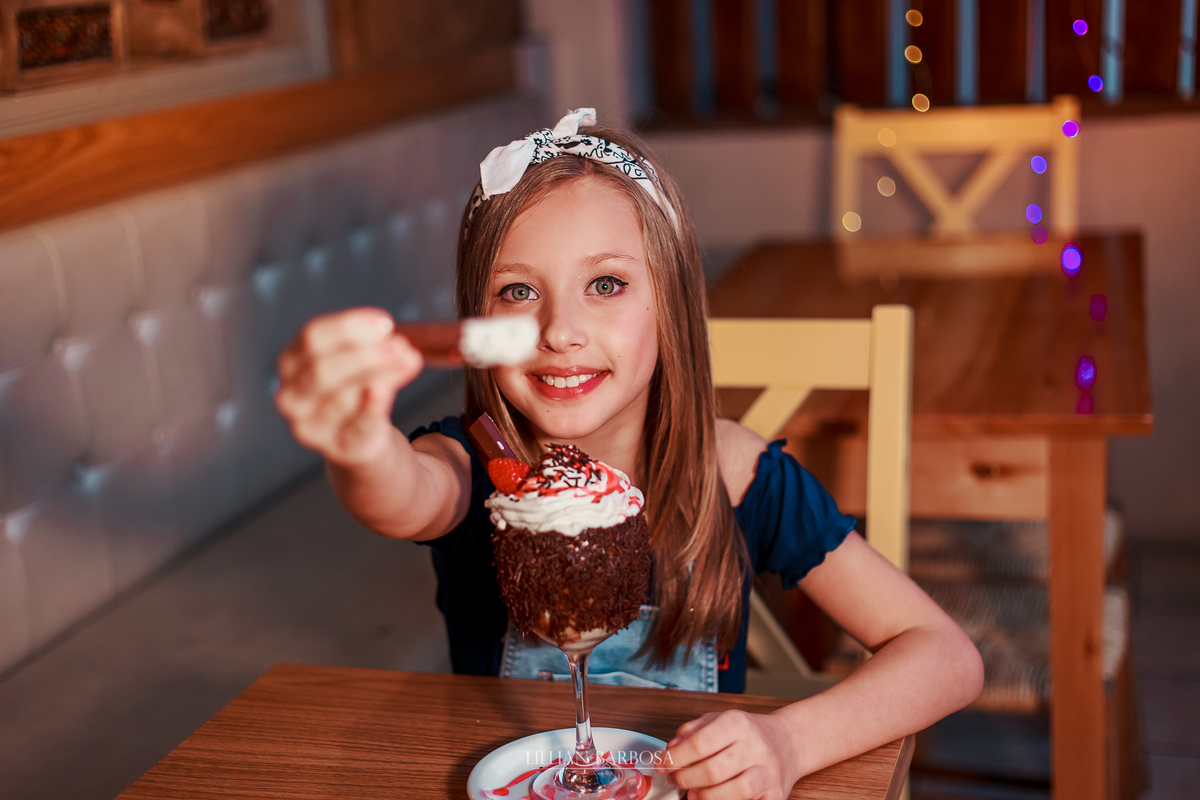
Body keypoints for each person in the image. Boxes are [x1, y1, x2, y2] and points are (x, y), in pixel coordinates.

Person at [275, 109, 983, 800]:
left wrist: (790, 742)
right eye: (518, 291)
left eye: (606, 285)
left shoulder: (735, 474)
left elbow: (946, 656)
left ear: (670, 304)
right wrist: (360, 445)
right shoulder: (471, 463)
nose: (560, 331)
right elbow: (402, 494)